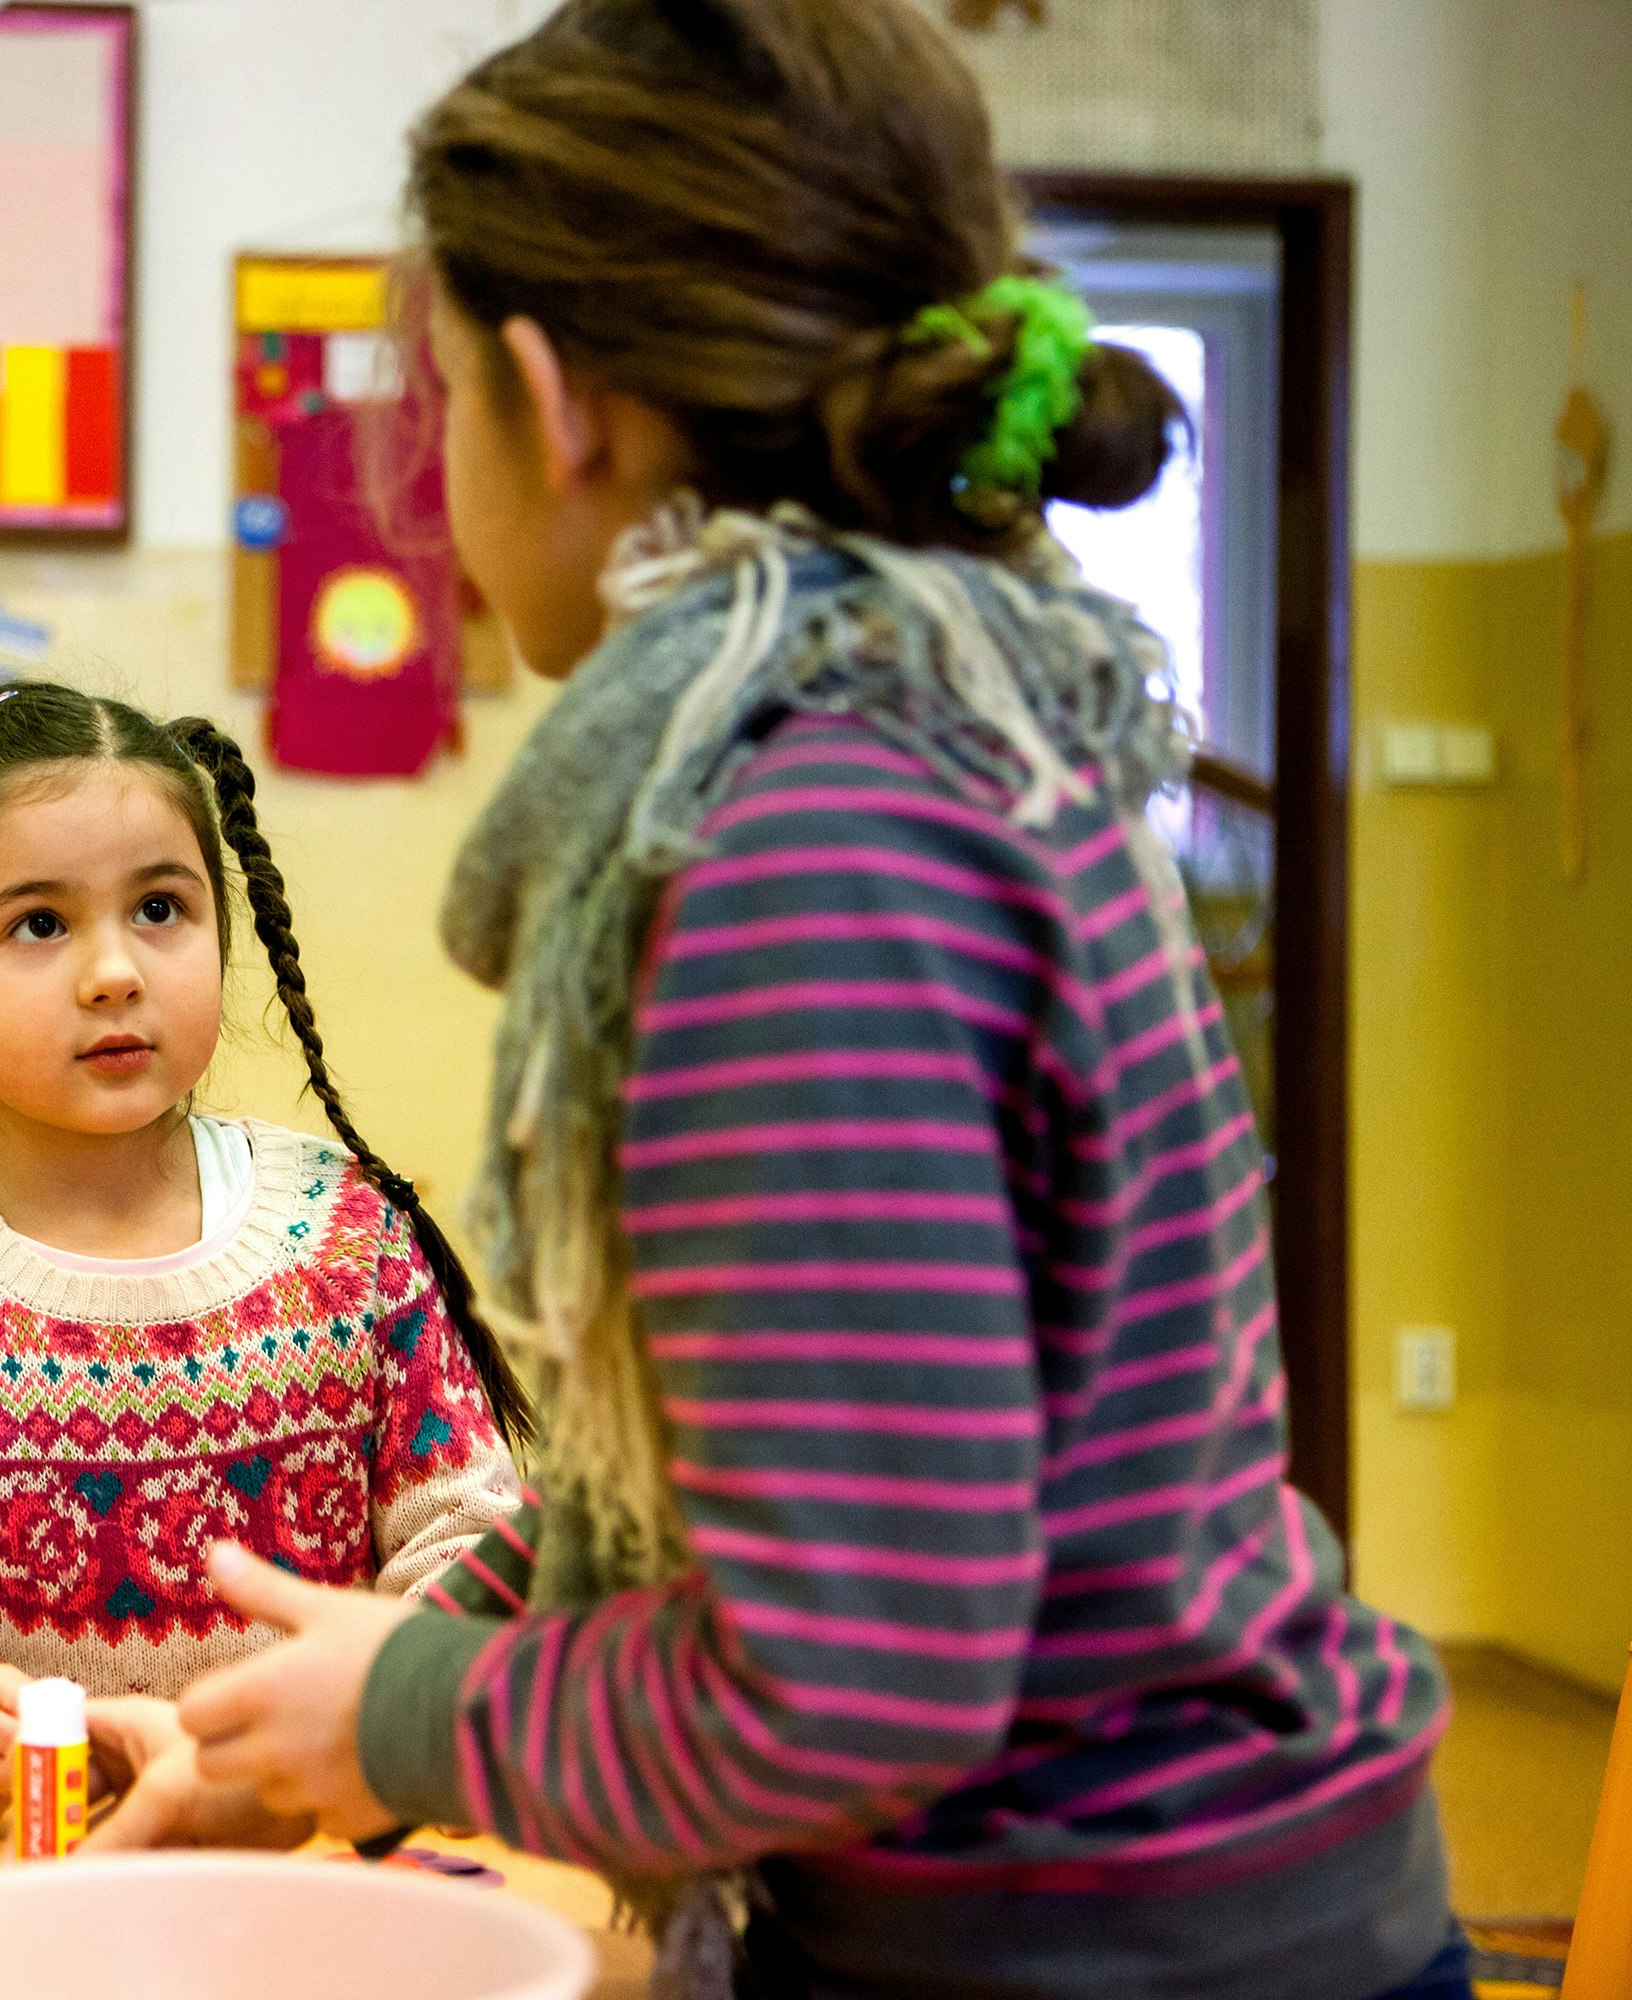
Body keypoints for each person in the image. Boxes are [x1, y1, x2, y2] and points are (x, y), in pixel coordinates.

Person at [84, 6, 1465, 1998]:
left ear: (556, 406)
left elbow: (861, 1678)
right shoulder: (952, 721)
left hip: (1098, 1949)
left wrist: (413, 1711)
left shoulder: (801, 856)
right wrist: (352, 1679)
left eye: (441, 390)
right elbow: (790, 1456)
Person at [0, 681, 530, 1836]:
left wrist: (400, 1716)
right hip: (14, 1875)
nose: (115, 970)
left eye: (161, 908)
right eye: (40, 923)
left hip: (309, 1860)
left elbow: (468, 1539)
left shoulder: (349, 1232)